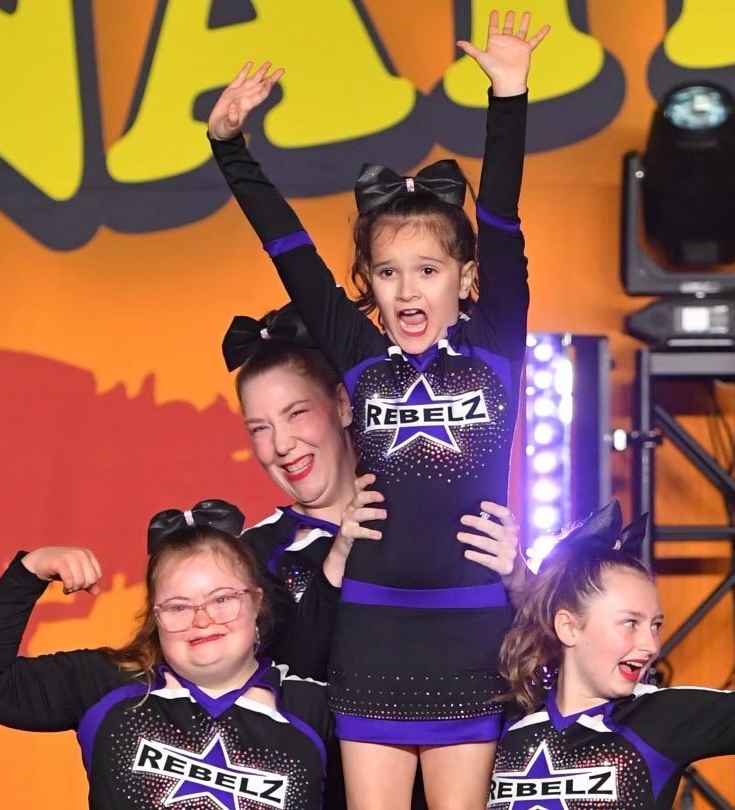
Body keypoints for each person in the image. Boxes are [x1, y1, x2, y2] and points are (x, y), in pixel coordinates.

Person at [208, 11, 548, 804]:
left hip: (471, 629)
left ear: (465, 280)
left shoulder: (497, 346)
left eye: (428, 269)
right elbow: (287, 249)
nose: (407, 290)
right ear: (370, 284)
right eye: (388, 273)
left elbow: (499, 223)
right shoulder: (358, 361)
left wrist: (510, 98)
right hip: (372, 630)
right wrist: (230, 148)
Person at [0, 500, 335, 809]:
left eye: (222, 599)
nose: (203, 619)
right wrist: (30, 571)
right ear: (155, 617)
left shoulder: (318, 711)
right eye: (179, 606)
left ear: (256, 602)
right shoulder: (110, 686)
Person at [491, 502, 735, 809]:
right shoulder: (511, 715)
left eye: (656, 625)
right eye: (630, 623)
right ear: (568, 628)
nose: (652, 645)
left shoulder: (661, 717)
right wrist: (515, 579)